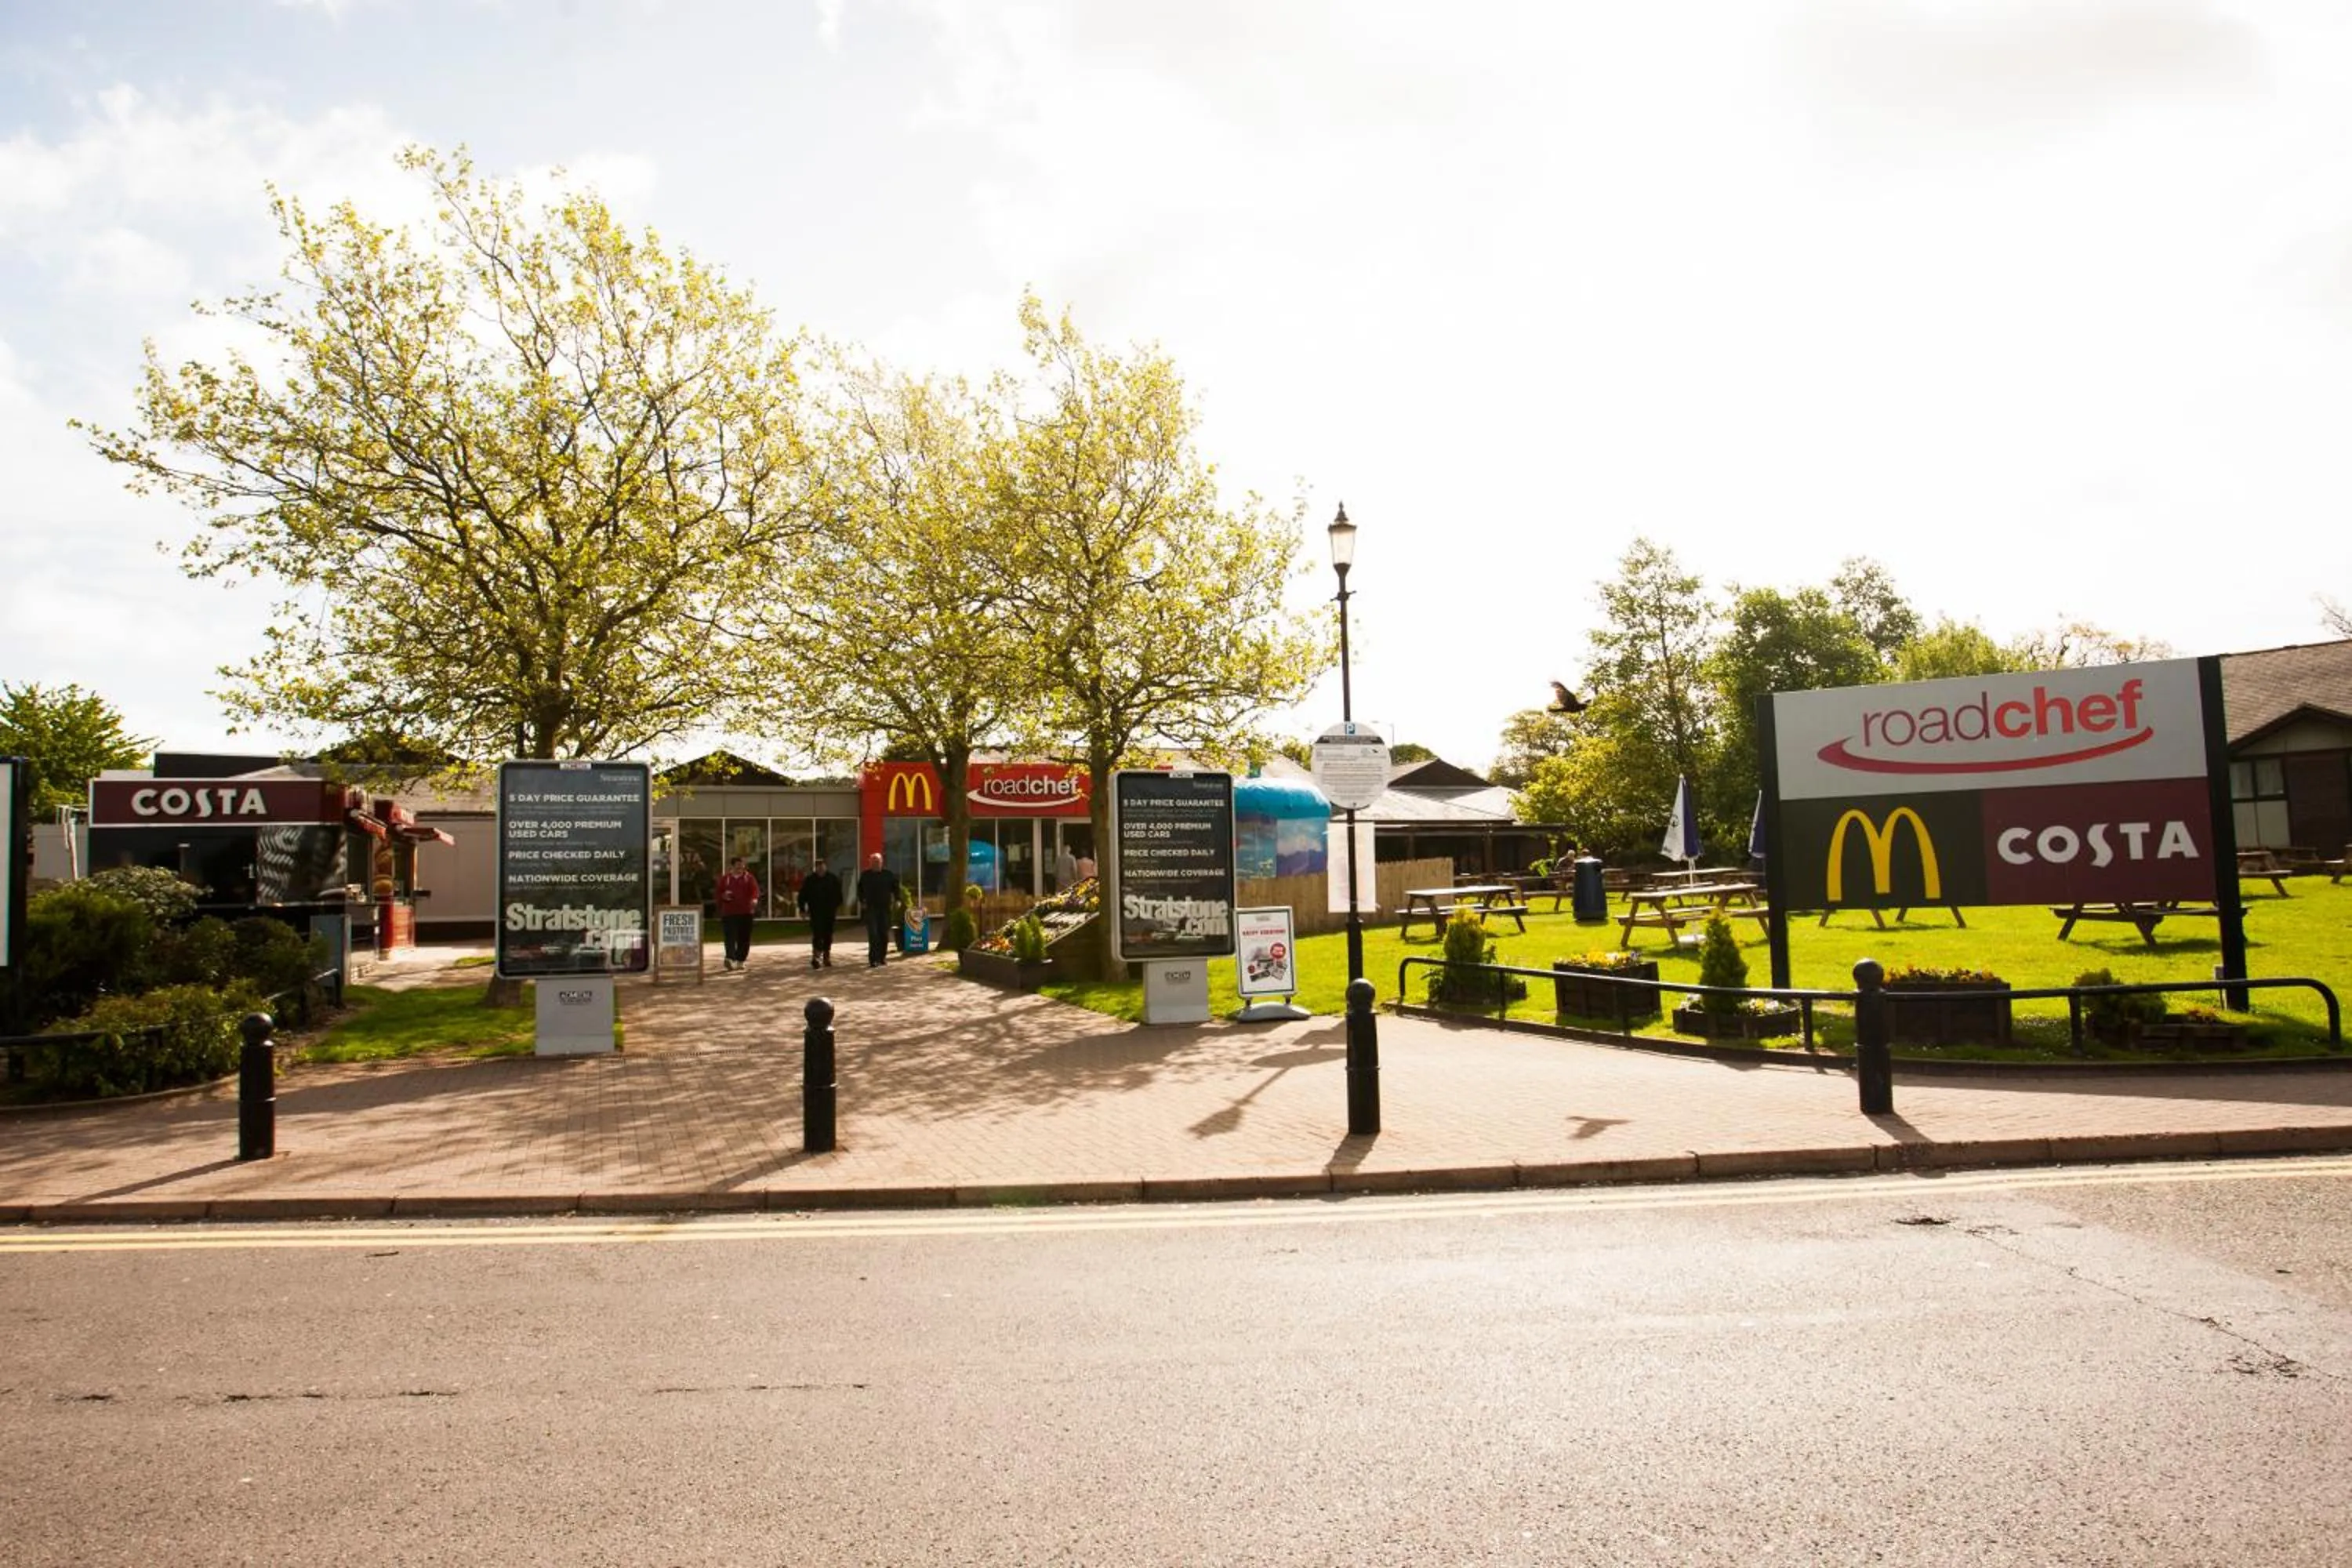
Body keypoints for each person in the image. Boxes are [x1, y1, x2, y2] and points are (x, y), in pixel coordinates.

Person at [797, 855, 844, 969]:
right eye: (818, 867)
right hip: (815, 911)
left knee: (828, 934)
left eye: (822, 866)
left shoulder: (832, 879)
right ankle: (816, 957)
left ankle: (827, 956)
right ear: (815, 868)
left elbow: (839, 895)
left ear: (825, 867)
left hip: (829, 911)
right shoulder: (810, 880)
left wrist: (837, 907)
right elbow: (802, 896)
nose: (820, 869)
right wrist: (802, 909)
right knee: (817, 934)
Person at [714, 855, 760, 971]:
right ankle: (730, 958)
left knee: (744, 937)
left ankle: (740, 960)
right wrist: (723, 896)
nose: (740, 868)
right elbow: (718, 893)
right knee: (730, 936)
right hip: (729, 912)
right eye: (738, 866)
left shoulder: (749, 878)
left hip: (746, 912)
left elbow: (755, 891)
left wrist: (754, 900)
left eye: (742, 866)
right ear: (732, 866)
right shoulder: (726, 879)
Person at [855, 852, 900, 968]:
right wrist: (862, 901)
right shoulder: (865, 875)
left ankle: (882, 957)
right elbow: (859, 890)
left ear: (881, 862)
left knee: (884, 934)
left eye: (878, 861)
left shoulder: (888, 874)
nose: (875, 864)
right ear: (870, 863)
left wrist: (898, 900)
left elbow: (896, 888)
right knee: (873, 934)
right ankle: (873, 959)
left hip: (885, 908)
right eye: (873, 861)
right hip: (871, 908)